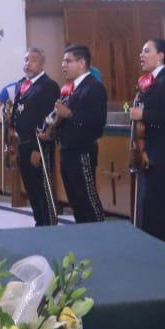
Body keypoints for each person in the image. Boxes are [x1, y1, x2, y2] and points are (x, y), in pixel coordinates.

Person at [0, 47, 60, 226]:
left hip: (38, 145)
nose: (28, 63)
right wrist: (12, 133)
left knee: (42, 189)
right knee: (31, 188)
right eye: (26, 59)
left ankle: (49, 225)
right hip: (22, 145)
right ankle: (39, 223)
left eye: (33, 60)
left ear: (42, 64)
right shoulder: (22, 84)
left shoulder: (48, 86)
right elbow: (16, 112)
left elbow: (48, 120)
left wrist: (38, 149)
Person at [127, 38, 165, 242]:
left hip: (163, 147)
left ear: (160, 55)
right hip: (147, 147)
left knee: (163, 200)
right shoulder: (146, 82)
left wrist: (143, 114)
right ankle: (148, 243)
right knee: (147, 202)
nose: (141, 55)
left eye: (146, 51)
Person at [46, 44, 107, 223]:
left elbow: (98, 121)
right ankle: (83, 233)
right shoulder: (71, 90)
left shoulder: (93, 87)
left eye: (68, 61)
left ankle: (100, 233)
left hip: (82, 151)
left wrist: (69, 113)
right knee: (76, 200)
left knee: (87, 198)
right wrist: (54, 126)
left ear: (81, 63)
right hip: (67, 150)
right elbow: (66, 118)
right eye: (63, 61)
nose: (63, 65)